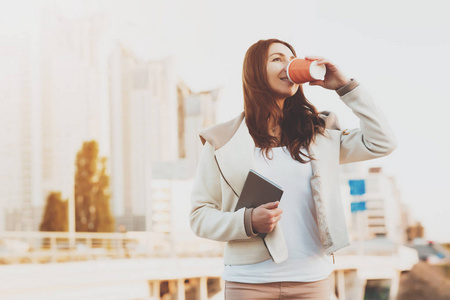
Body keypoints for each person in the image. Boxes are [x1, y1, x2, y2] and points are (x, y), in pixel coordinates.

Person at [189, 38, 397, 300]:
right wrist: (248, 221)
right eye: (277, 59)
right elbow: (199, 217)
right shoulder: (221, 141)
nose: (288, 65)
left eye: (291, 59)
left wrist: (345, 87)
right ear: (254, 72)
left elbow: (383, 142)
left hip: (312, 281)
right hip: (248, 283)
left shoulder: (319, 134)